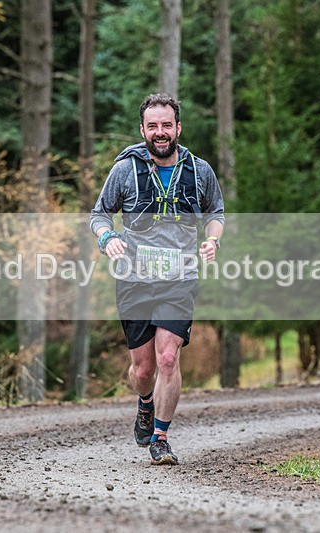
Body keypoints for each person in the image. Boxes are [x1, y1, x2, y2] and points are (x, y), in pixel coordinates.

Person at [90, 93, 225, 465]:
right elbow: (99, 214)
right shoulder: (125, 170)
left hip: (179, 278)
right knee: (143, 368)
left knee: (168, 358)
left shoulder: (199, 171)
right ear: (143, 130)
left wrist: (212, 239)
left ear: (178, 128)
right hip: (134, 279)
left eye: (167, 125)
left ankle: (161, 437)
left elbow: (217, 212)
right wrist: (108, 237)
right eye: (153, 126)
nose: (160, 132)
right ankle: (145, 402)